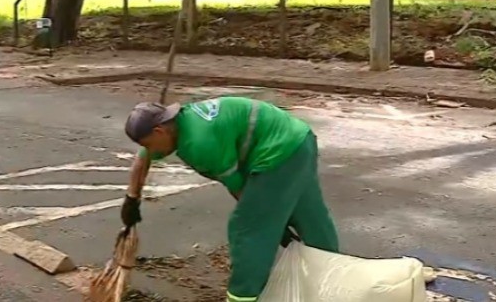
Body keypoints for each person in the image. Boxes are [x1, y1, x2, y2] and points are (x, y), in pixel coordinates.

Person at [121, 96, 340, 302]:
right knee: (309, 215)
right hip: (299, 139)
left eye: (147, 143)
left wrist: (270, 219)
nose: (147, 149)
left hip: (277, 154)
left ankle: (242, 295)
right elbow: (144, 158)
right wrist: (132, 198)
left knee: (248, 228)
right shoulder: (180, 123)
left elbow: (239, 188)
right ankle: (335, 275)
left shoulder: (198, 145)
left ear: (159, 131)